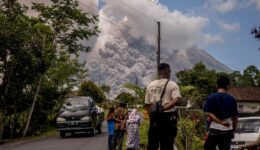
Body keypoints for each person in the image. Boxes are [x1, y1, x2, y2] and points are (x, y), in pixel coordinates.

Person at [145, 63, 182, 150]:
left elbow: (147, 104)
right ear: (166, 71)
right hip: (167, 119)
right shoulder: (172, 84)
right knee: (167, 145)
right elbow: (176, 99)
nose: (170, 73)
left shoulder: (150, 85)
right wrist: (163, 108)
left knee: (152, 144)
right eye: (169, 71)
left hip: (154, 119)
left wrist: (152, 115)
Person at [204, 75, 238, 150]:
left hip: (214, 129)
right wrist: (233, 131)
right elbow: (235, 118)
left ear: (217, 85)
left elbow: (209, 113)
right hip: (227, 130)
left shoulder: (211, 97)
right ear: (228, 86)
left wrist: (220, 122)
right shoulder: (232, 99)